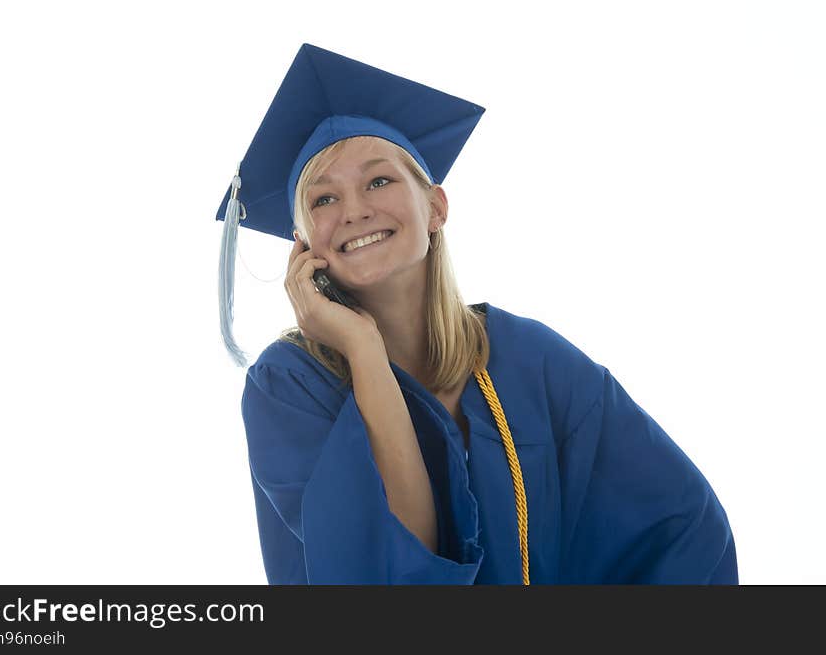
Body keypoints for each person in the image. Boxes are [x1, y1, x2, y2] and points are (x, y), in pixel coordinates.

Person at [216, 43, 738, 585]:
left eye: (379, 181)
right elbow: (392, 575)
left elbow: (681, 529)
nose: (354, 210)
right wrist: (363, 350)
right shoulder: (289, 385)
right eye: (323, 200)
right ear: (301, 243)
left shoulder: (532, 360)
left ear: (436, 208)